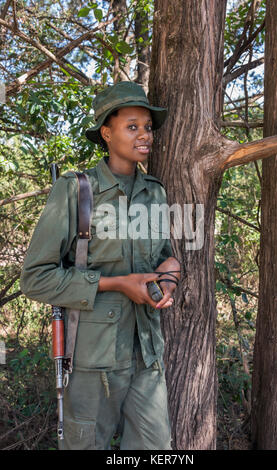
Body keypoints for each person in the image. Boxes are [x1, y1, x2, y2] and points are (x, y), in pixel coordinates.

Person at [20, 81, 180, 450]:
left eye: (148, 127)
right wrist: (117, 284)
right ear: (106, 133)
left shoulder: (154, 191)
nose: (145, 136)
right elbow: (36, 278)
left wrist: (169, 276)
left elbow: (164, 257)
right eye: (132, 126)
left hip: (147, 354)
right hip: (93, 361)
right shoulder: (77, 189)